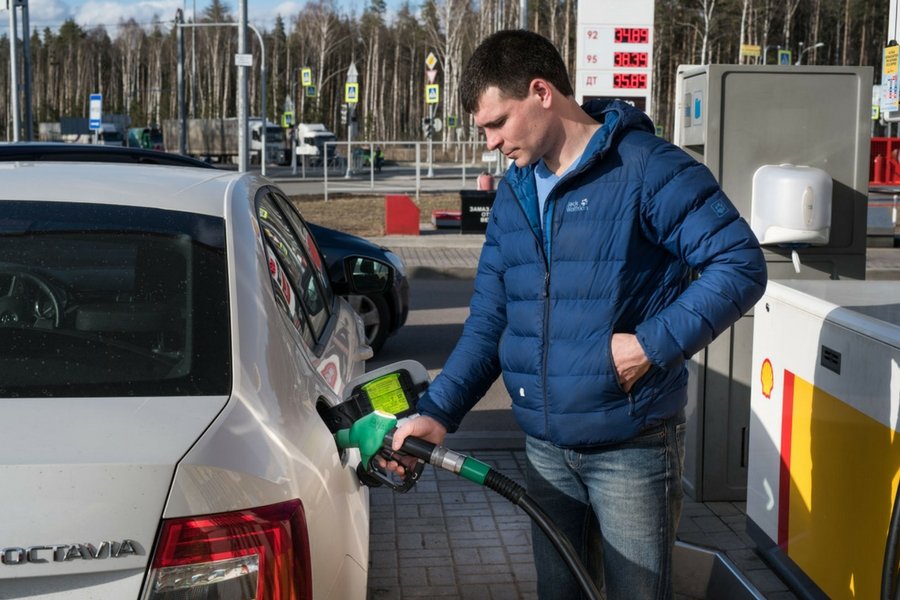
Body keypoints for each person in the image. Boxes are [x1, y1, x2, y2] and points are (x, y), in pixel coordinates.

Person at [390, 29, 767, 600]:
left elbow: (739, 264)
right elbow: (491, 322)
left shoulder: (647, 167)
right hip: (546, 453)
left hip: (632, 449)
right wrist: (437, 413)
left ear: (542, 92)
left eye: (498, 123)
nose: (491, 143)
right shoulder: (515, 193)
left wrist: (649, 345)